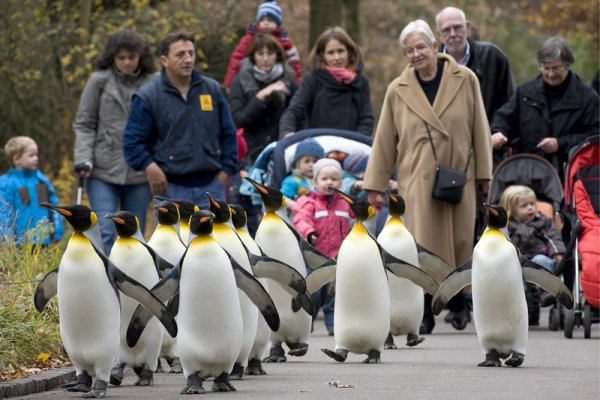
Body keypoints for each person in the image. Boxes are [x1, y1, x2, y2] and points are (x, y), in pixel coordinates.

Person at [362, 20, 493, 334]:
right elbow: (384, 139)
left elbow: (480, 126)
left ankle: (459, 301)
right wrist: (376, 184)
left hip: (458, 174)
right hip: (416, 177)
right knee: (422, 244)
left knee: (460, 240)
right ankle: (424, 310)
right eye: (409, 50)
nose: (416, 54)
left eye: (421, 47)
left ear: (435, 46)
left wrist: (485, 173)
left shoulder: (466, 78)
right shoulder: (397, 89)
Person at [123, 31, 237, 209]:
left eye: (191, 53)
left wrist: (226, 171)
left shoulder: (212, 89)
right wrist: (150, 167)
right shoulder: (148, 96)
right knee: (175, 239)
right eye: (180, 54)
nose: (188, 59)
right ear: (164, 61)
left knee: (214, 238)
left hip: (212, 188)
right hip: (171, 190)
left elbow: (229, 134)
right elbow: (132, 143)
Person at [73, 29, 156, 252]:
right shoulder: (99, 82)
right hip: (101, 169)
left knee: (133, 232)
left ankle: (131, 281)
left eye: (132, 57)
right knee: (105, 229)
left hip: (139, 170)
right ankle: (104, 281)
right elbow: (85, 123)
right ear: (112, 58)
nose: (127, 62)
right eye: (121, 58)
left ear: (141, 57)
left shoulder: (154, 83)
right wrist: (83, 158)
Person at [491, 37, 599, 179]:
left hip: (570, 176)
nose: (550, 74)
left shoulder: (587, 97)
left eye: (556, 68)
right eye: (546, 68)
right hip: (527, 174)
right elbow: (504, 118)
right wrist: (499, 132)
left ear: (568, 65)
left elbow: (595, 135)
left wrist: (560, 144)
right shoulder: (524, 93)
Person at [228, 32, 298, 235]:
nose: (266, 58)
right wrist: (261, 96)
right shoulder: (240, 81)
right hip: (251, 154)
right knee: (251, 209)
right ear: (253, 57)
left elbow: (299, 114)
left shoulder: (290, 80)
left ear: (278, 55)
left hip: (283, 152)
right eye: (260, 53)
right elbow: (238, 119)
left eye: (270, 53)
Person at [293, 158, 354, 336]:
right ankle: (307, 321)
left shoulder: (344, 203)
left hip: (337, 258)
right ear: (315, 181)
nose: (329, 182)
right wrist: (309, 232)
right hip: (315, 257)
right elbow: (300, 219)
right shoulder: (309, 202)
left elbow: (358, 218)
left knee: (334, 294)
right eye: (324, 178)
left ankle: (333, 324)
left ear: (340, 182)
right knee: (314, 292)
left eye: (334, 179)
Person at [279, 26, 374, 137]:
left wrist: (358, 140)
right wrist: (287, 132)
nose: (337, 57)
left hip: (351, 146)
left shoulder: (361, 82)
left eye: (340, 51)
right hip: (317, 145)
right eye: (331, 53)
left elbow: (366, 118)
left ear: (349, 51)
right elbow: (294, 110)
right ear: (322, 55)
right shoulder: (312, 80)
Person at [499, 184, 566, 325]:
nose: (530, 208)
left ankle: (546, 292)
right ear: (511, 210)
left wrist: (557, 253)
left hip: (538, 258)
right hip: (517, 261)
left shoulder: (542, 222)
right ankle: (520, 307)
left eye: (532, 204)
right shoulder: (506, 226)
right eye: (524, 206)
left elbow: (553, 238)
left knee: (541, 261)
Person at [223, 0, 301, 90]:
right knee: (245, 64)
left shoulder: (285, 40)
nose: (266, 23)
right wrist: (230, 82)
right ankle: (252, 92)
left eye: (270, 20)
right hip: (253, 76)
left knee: (287, 69)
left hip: (278, 77)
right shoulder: (249, 38)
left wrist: (297, 82)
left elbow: (294, 62)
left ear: (278, 23)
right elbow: (236, 59)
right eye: (262, 20)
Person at [0, 136, 63, 246]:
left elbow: (54, 207)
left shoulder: (41, 180)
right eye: (31, 155)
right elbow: (4, 213)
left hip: (45, 241)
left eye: (36, 155)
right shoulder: (7, 183)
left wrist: (57, 232)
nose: (36, 158)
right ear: (16, 159)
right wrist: (6, 240)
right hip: (19, 244)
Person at [280, 138, 324, 211]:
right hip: (299, 213)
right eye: (307, 161)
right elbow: (281, 197)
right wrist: (291, 204)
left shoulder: (324, 180)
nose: (311, 165)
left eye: (315, 161)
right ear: (298, 164)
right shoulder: (292, 181)